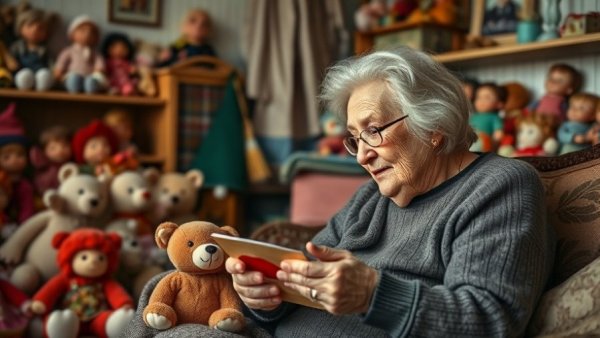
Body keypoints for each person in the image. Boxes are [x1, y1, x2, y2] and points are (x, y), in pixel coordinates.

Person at [226, 47, 556, 337]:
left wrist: (372, 294)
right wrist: (267, 297)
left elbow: (490, 321)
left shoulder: (499, 186)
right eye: (355, 138)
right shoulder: (370, 198)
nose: (361, 155)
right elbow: (306, 281)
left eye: (374, 130)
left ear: (433, 124)